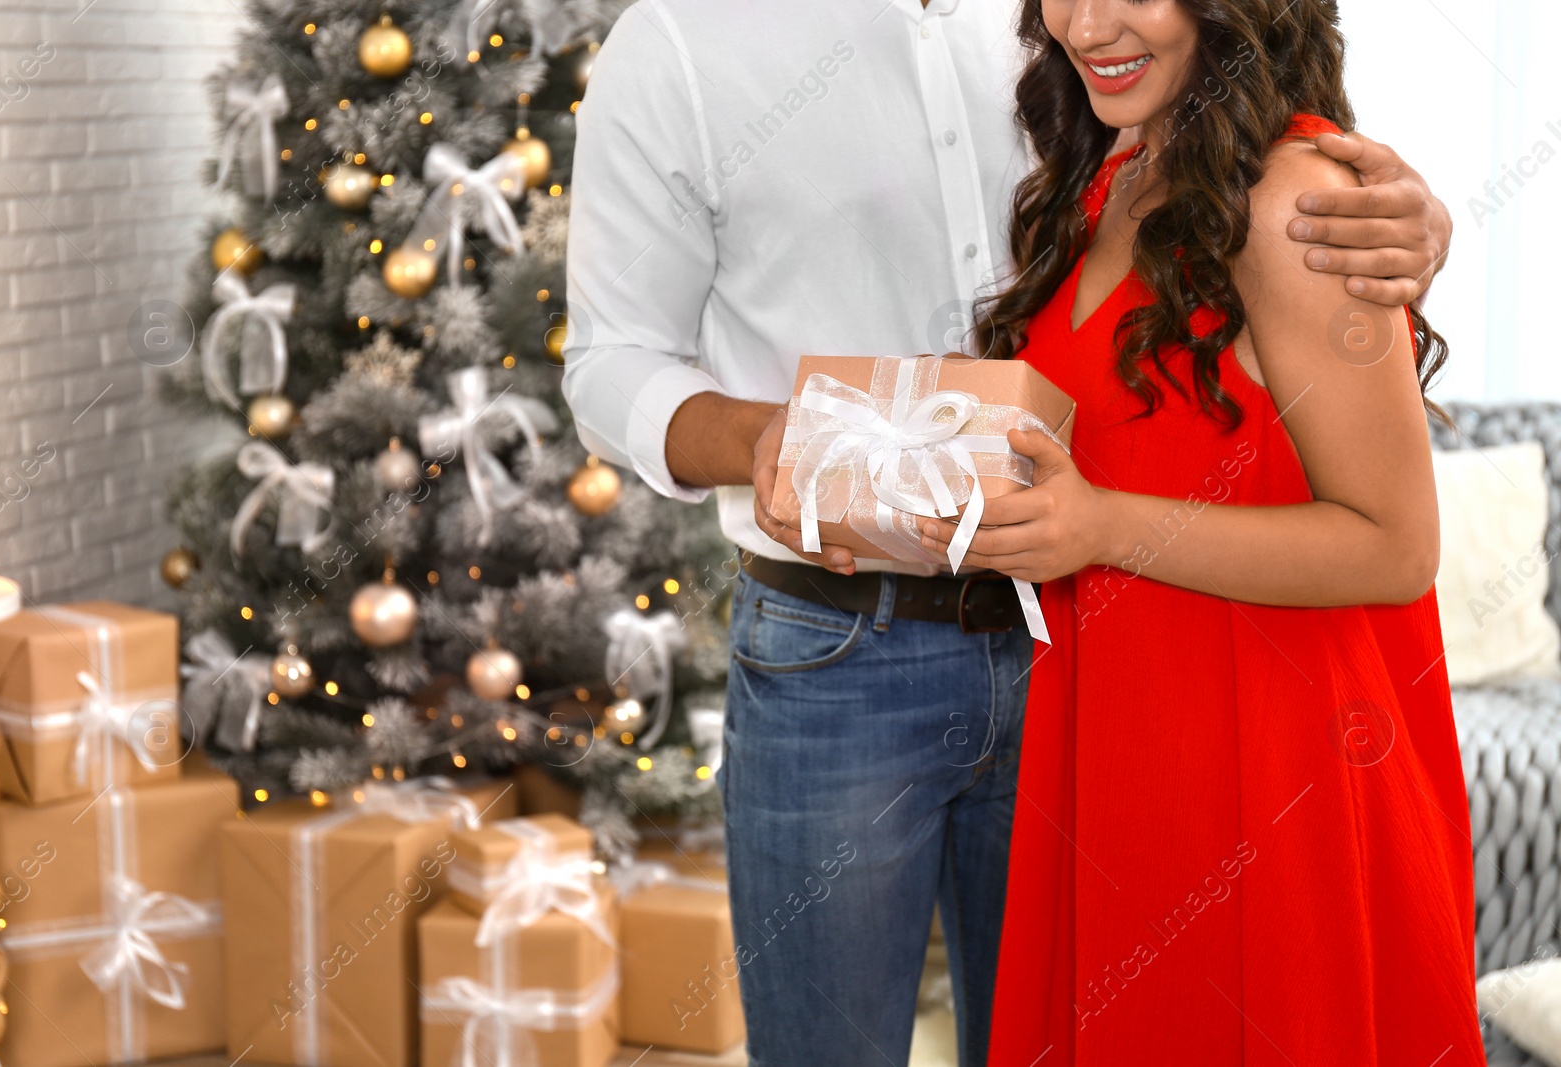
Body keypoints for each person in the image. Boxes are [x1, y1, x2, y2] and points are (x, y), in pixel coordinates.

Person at [561, 1, 1455, 1063]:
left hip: (1112, 673)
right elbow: (607, 359)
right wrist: (766, 438)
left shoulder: (1172, 123)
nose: (1089, 20)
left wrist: (1403, 215)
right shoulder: (687, 40)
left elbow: (1379, 515)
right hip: (860, 646)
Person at [915, 0, 1481, 1062]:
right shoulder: (1095, 182)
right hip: (1117, 760)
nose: (1085, 25)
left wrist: (1101, 526)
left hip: (1274, 779)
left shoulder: (1296, 203)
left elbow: (1394, 544)